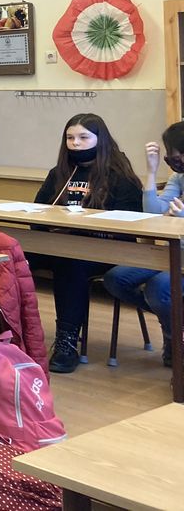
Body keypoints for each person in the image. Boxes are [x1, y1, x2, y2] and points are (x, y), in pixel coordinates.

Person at [28, 114, 141, 373]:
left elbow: (130, 225)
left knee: (71, 261)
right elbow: (37, 213)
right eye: (70, 138)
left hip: (105, 251)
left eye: (83, 137)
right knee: (11, 255)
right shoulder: (59, 173)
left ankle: (66, 343)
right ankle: (7, 329)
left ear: (100, 140)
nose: (75, 143)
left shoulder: (120, 176)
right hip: (59, 244)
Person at [103, 121, 184, 365]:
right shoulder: (178, 178)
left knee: (159, 288)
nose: (178, 163)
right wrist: (151, 171)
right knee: (116, 279)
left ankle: (173, 337)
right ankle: (175, 324)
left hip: (177, 256)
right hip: (172, 253)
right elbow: (152, 213)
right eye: (173, 159)